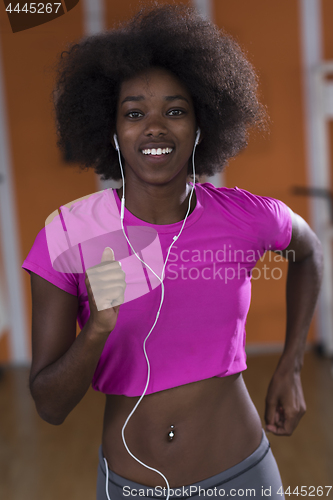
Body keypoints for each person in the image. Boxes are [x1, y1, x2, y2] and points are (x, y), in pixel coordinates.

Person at [22, 3, 323, 499]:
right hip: (132, 486)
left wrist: (290, 365)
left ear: (201, 125)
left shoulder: (245, 216)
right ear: (112, 131)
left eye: (175, 110)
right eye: (134, 113)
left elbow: (309, 252)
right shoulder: (68, 234)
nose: (155, 127)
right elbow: (49, 406)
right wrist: (96, 328)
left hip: (243, 476)